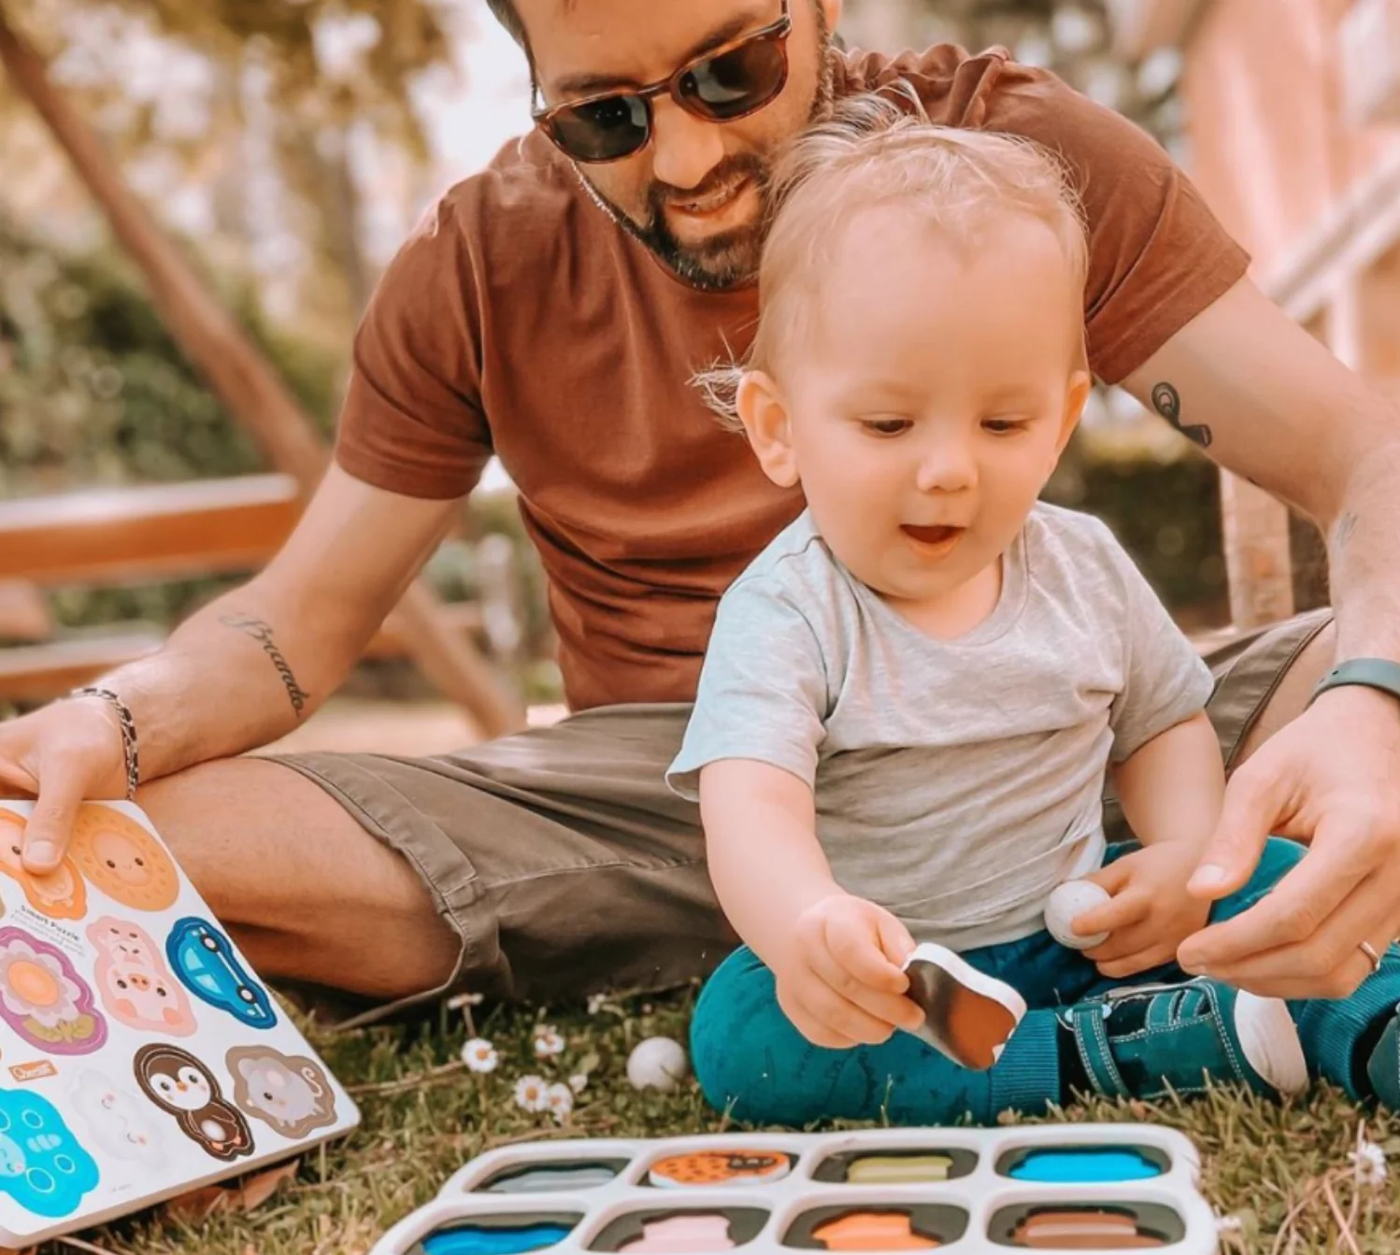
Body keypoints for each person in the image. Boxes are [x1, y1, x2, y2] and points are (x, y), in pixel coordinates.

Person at [2, 0, 1399, 1024]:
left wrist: (1374, 701)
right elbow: (294, 626)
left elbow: (1366, 456)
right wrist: (115, 720)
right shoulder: (477, 256)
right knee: (130, 834)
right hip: (662, 808)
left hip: (1046, 729)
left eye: (732, 70)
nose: (680, 161)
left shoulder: (1016, 158)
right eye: (603, 117)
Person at [670, 96, 1400, 1126]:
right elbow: (749, 807)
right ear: (778, 428)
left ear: (1059, 420)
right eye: (886, 423)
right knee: (744, 1036)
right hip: (918, 984)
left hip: (1086, 927)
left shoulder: (1082, 565)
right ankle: (1124, 1048)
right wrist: (806, 925)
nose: (946, 470)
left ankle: (1361, 1020)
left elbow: (1160, 724)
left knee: (1277, 878)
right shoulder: (786, 613)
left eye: (1002, 421)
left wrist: (1184, 859)